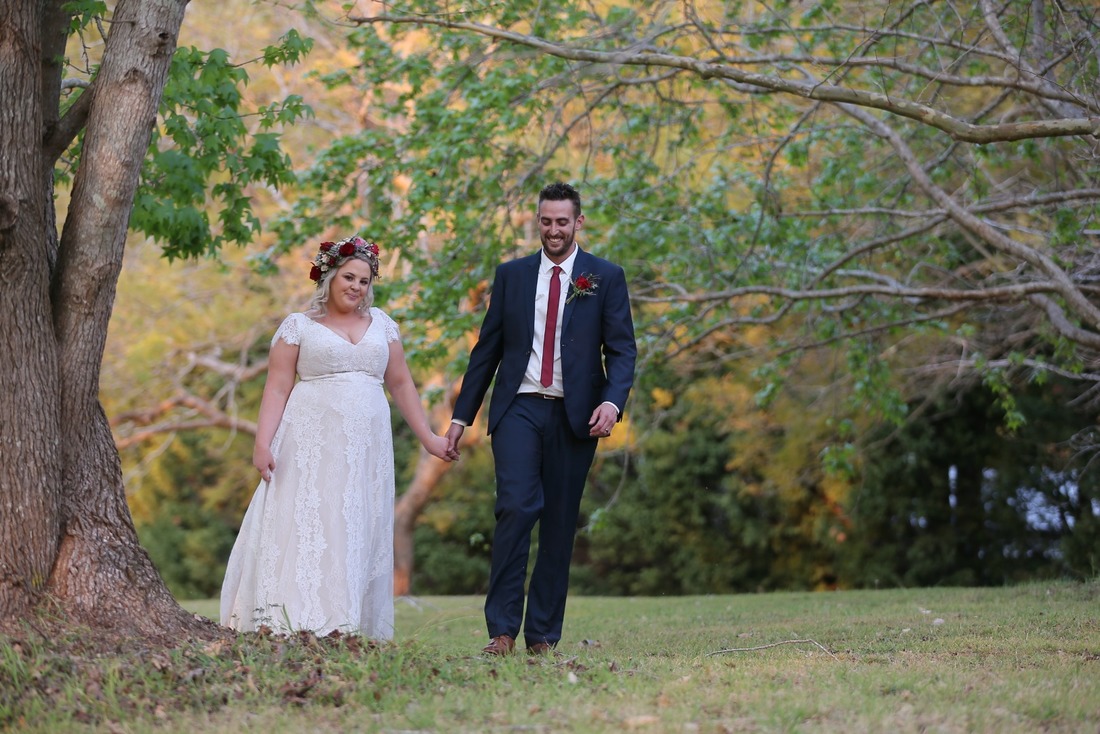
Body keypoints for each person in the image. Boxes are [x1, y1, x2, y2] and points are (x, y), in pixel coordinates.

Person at [221, 235, 451, 639]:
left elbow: (401, 384)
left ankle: (346, 624)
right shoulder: (298, 327)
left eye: (364, 281)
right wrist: (262, 443)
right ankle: (295, 619)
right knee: (311, 522)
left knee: (354, 525)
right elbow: (277, 387)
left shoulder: (383, 325)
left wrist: (430, 438)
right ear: (328, 276)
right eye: (349, 277)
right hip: (310, 443)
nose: (356, 287)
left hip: (367, 448)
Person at [444, 182, 637, 656]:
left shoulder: (605, 277)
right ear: (538, 221)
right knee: (516, 507)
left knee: (558, 521)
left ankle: (543, 637)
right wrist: (461, 418)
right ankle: (502, 632)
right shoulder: (511, 275)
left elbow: (622, 350)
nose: (553, 230)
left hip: (576, 415)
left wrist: (612, 403)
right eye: (546, 221)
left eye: (562, 222)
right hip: (519, 407)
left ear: (578, 222)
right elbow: (486, 351)